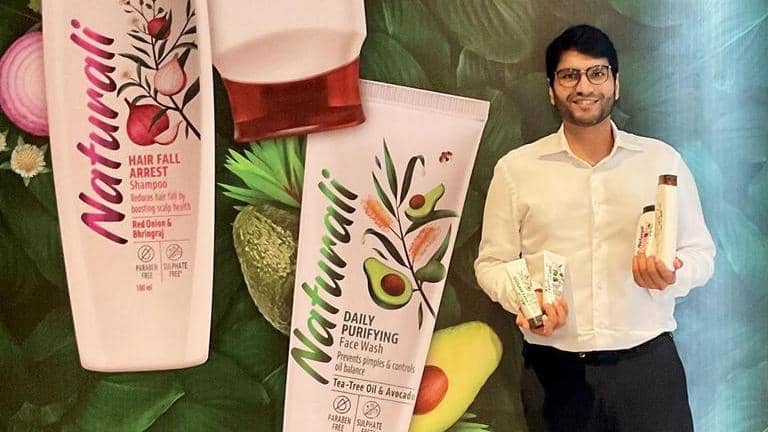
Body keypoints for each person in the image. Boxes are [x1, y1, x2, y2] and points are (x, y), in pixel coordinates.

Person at [474, 24, 715, 432]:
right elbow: (491, 263)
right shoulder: (516, 169)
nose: (584, 86)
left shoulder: (661, 162)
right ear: (552, 90)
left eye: (597, 73)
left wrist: (672, 273)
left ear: (616, 85)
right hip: (555, 374)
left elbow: (701, 254)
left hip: (647, 368)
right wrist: (526, 299)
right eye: (569, 75)